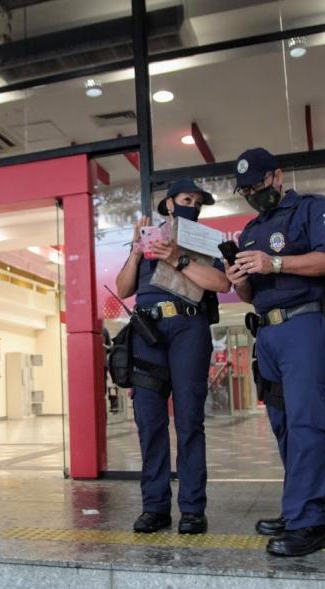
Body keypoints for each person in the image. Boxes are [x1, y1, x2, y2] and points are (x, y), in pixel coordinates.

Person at [225, 148, 325, 557]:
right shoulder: (249, 231)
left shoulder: (313, 209)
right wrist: (239, 279)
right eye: (244, 190)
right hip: (269, 334)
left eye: (257, 186)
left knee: (309, 423)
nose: (252, 194)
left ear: (277, 176)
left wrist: (274, 263)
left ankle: (310, 522)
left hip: (305, 327)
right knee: (282, 425)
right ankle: (296, 507)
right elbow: (249, 294)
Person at [115, 178, 231, 535]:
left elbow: (221, 284)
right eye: (185, 198)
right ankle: (155, 508)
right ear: (168, 204)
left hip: (188, 329)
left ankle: (193, 509)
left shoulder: (207, 240)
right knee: (150, 422)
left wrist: (176, 258)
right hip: (148, 332)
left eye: (197, 201)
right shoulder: (149, 238)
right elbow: (123, 289)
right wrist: (137, 250)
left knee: (189, 422)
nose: (191, 205)